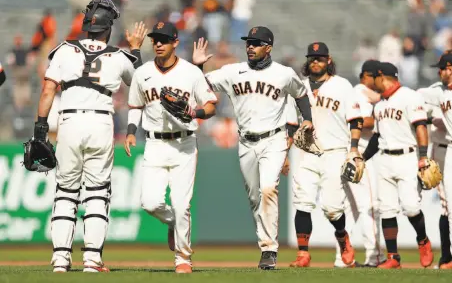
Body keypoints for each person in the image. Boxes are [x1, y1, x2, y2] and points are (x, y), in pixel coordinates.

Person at [33, 0, 146, 273]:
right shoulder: (119, 56)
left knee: (65, 191)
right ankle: (92, 259)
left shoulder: (64, 50)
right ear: (109, 27)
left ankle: (61, 259)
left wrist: (40, 128)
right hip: (100, 123)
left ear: (86, 26)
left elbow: (48, 90)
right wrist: (135, 48)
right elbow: (142, 83)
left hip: (69, 121)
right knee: (97, 192)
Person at [192, 27, 313, 270]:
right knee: (255, 196)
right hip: (246, 141)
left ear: (268, 48)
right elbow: (201, 85)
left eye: (256, 43)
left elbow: (300, 94)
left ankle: (269, 249)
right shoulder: (233, 71)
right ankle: (266, 243)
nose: (250, 46)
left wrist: (307, 118)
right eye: (249, 42)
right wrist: (197, 67)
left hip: (274, 139)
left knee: (269, 189)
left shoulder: (283, 73)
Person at [124, 21, 217, 274]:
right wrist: (131, 133)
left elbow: (211, 105)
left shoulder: (191, 72)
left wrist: (194, 111)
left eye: (164, 39)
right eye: (155, 39)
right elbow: (135, 107)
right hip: (154, 143)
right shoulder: (142, 72)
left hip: (184, 143)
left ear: (176, 42)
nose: (158, 43)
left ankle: (182, 258)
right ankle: (174, 223)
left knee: (181, 203)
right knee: (150, 203)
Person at [289, 42, 363, 268]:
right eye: (312, 58)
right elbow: (291, 124)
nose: (315, 61)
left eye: (320, 58)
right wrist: (287, 149)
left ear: (328, 60)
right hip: (306, 152)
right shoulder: (299, 87)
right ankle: (303, 254)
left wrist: (354, 149)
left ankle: (343, 238)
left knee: (332, 208)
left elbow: (355, 119)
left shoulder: (342, 86)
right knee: (302, 202)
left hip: (335, 151)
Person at [362, 62, 434, 269]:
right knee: (387, 210)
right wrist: (363, 158)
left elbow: (421, 127)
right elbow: (377, 136)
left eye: (373, 78)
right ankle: (393, 257)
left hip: (407, 157)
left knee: (411, 207)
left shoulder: (410, 96)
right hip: (384, 159)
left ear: (381, 76)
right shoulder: (380, 104)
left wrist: (423, 157)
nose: (371, 83)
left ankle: (423, 240)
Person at [333, 60, 385, 268]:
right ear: (367, 76)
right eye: (377, 76)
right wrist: (383, 117)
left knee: (351, 209)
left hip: (350, 154)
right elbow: (363, 122)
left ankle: (341, 258)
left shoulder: (360, 93)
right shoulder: (360, 92)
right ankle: (375, 256)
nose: (380, 80)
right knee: (370, 205)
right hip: (361, 155)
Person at [417, 52, 452, 269]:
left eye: (446, 68)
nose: (442, 72)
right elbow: (413, 102)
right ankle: (447, 257)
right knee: (446, 207)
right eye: (441, 69)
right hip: (442, 150)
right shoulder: (432, 92)